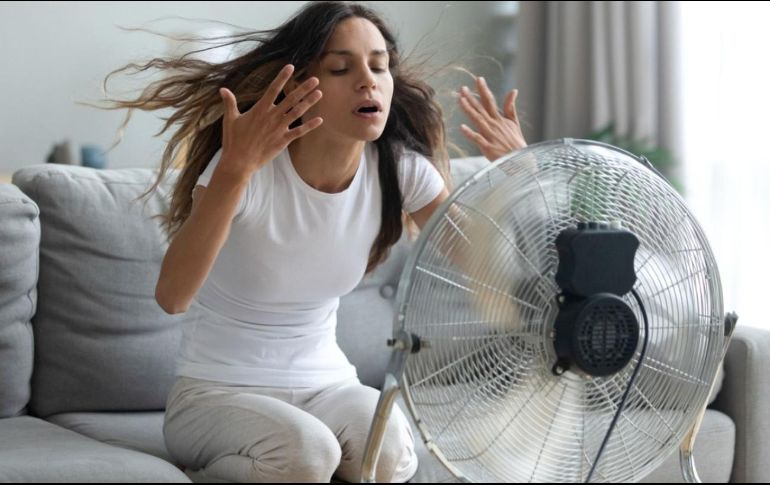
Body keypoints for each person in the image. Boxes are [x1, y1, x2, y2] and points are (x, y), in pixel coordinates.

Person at [102, 1, 526, 482]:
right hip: (218, 392)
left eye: (379, 66)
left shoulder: (400, 171)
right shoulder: (244, 168)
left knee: (386, 455)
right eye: (341, 68)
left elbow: (492, 276)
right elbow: (172, 296)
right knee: (308, 455)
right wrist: (235, 170)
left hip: (328, 387)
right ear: (299, 86)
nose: (368, 81)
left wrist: (521, 174)